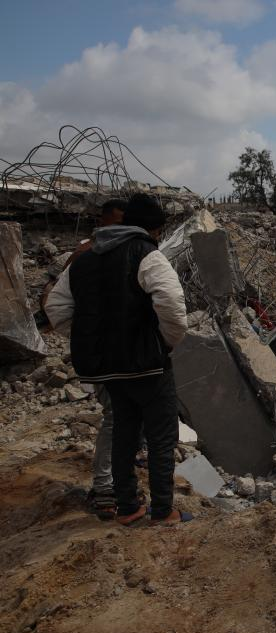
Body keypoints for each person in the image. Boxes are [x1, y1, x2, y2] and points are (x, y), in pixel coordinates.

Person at [46, 194, 191, 526]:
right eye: (158, 232)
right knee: (161, 436)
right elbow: (173, 308)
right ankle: (163, 511)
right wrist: (164, 343)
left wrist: (92, 340)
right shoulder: (146, 254)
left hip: (108, 370)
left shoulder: (83, 259)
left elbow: (56, 308)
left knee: (124, 433)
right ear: (153, 229)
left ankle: (127, 508)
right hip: (148, 367)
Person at [39, 199, 129, 519]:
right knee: (117, 415)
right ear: (103, 223)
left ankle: (117, 479)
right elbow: (56, 307)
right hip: (105, 354)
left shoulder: (120, 252)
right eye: (117, 223)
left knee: (125, 416)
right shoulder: (86, 256)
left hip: (116, 352)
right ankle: (106, 488)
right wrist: (84, 336)